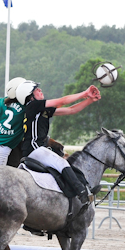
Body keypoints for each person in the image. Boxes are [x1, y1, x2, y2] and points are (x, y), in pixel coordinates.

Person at [16, 81, 101, 215]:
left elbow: (71, 110)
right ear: (30, 96)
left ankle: (78, 191)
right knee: (61, 162)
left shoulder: (40, 109)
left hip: (36, 148)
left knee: (63, 165)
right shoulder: (33, 105)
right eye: (36, 89)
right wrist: (85, 93)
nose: (40, 90)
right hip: (34, 148)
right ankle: (82, 193)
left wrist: (89, 100)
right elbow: (62, 101)